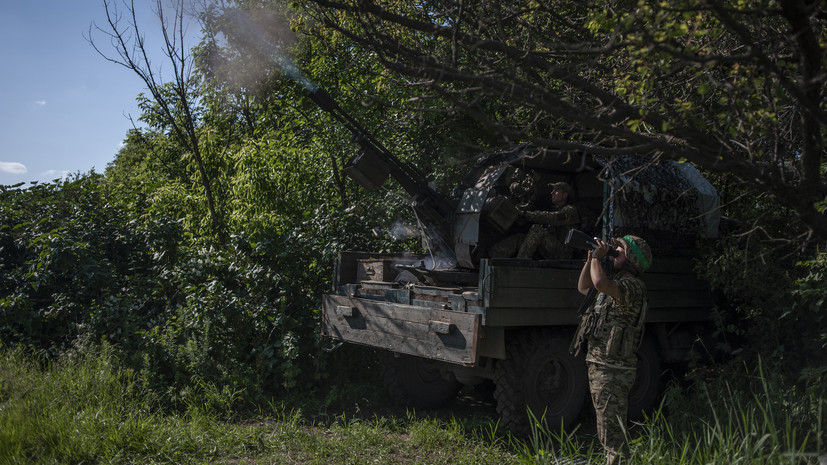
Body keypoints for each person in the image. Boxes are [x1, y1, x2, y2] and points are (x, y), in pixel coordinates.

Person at [573, 235, 653, 465]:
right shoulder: (615, 283)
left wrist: (600, 257)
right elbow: (584, 286)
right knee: (606, 430)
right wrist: (591, 260)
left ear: (632, 261)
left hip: (613, 371)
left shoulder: (631, 287)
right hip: (602, 366)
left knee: (612, 437)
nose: (614, 250)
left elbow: (600, 284)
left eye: (620, 249)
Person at [516, 181, 580, 259]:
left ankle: (520, 263)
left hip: (563, 254)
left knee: (537, 230)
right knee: (519, 238)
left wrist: (525, 213)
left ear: (565, 195)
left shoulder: (570, 210)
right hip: (552, 248)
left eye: (556, 191)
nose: (552, 193)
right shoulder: (556, 209)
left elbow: (550, 217)